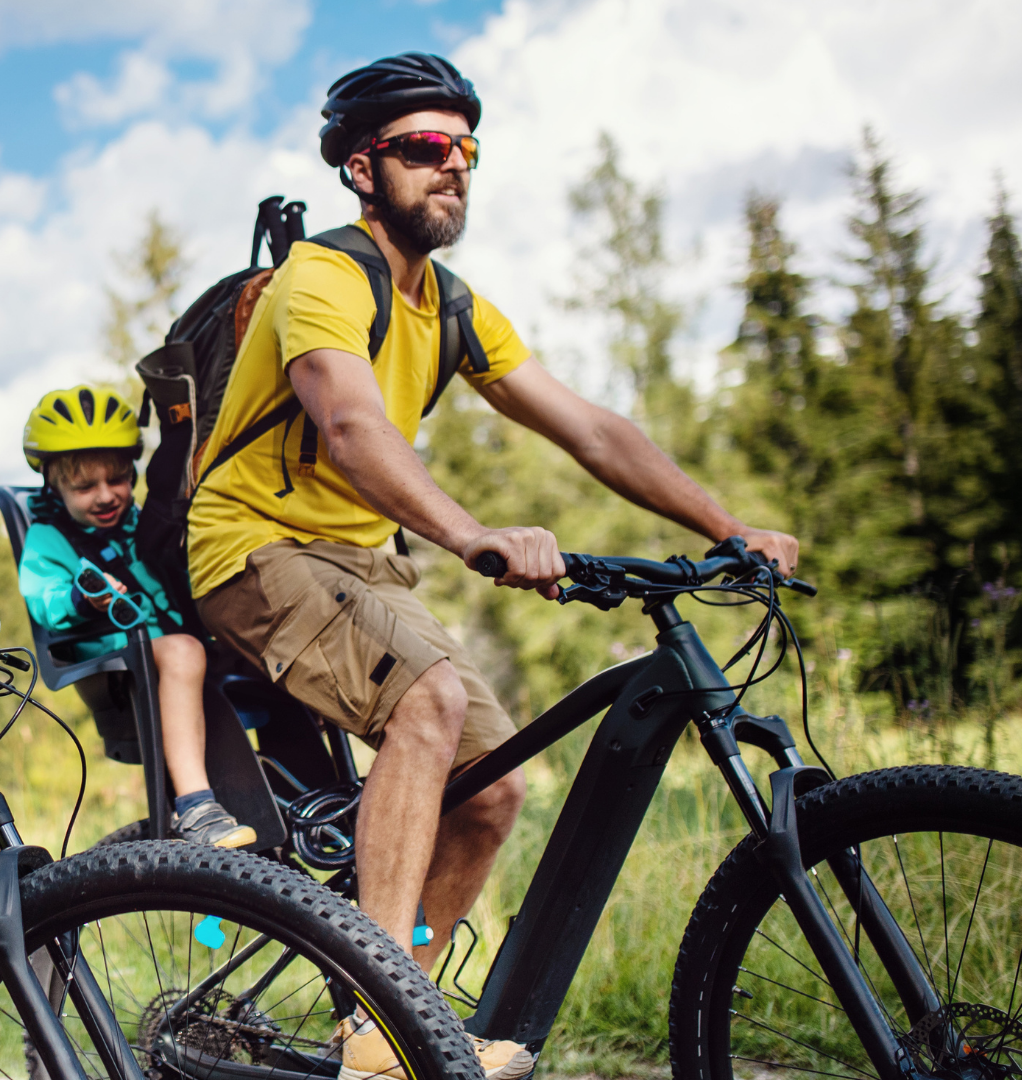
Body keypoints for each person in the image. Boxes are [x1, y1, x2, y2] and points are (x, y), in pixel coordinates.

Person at [185, 54, 801, 1080]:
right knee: (426, 704)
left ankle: (404, 1011)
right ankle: (379, 1031)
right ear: (361, 168)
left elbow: (590, 429)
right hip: (256, 547)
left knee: (491, 791)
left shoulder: (455, 305)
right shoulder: (325, 277)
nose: (455, 168)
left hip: (362, 566)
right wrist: (470, 532)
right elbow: (346, 423)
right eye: (428, 149)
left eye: (466, 150)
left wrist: (725, 524)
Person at [17, 386, 254, 848]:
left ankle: (309, 792)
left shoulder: (141, 524)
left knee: (259, 638)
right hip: (119, 666)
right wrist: (84, 598)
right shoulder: (48, 540)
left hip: (172, 651)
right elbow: (45, 600)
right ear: (54, 486)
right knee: (184, 650)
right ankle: (196, 807)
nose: (106, 496)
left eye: (118, 480)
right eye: (85, 487)